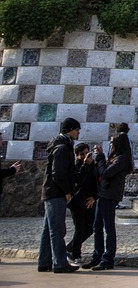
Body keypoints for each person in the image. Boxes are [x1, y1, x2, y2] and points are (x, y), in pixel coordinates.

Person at [84, 127, 133, 271]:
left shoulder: (122, 159)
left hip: (109, 196)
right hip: (104, 194)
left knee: (108, 227)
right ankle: (97, 257)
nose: (110, 145)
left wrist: (99, 158)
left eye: (112, 143)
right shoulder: (117, 158)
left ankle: (107, 259)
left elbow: (105, 174)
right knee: (97, 227)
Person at [38, 117, 81, 273]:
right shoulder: (62, 148)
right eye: (76, 129)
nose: (78, 132)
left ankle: (44, 262)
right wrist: (67, 191)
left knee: (48, 229)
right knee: (57, 230)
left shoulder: (61, 145)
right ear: (69, 130)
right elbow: (59, 173)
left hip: (51, 192)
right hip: (56, 193)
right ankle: (60, 263)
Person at [66, 143, 98, 264]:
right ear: (77, 156)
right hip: (77, 202)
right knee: (79, 228)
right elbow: (78, 181)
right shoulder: (75, 166)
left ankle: (69, 249)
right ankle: (76, 254)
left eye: (86, 153)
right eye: (82, 154)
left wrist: (94, 197)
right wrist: (85, 164)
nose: (85, 156)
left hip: (89, 201)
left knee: (89, 228)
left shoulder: (92, 166)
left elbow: (95, 182)